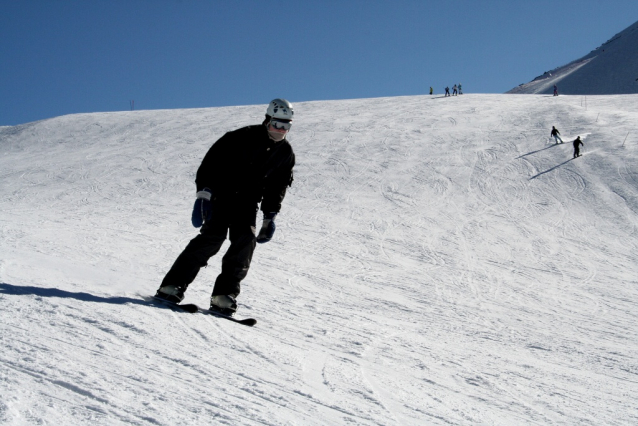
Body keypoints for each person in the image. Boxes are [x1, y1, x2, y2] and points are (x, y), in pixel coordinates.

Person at [155, 99, 296, 315]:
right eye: (277, 124)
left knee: (245, 241)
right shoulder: (240, 137)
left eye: (286, 126)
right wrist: (203, 194)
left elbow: (277, 186)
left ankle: (224, 295)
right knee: (212, 238)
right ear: (267, 120)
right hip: (222, 195)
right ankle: (172, 286)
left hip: (248, 202)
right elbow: (211, 164)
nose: (281, 130)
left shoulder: (285, 153)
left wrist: (270, 215)